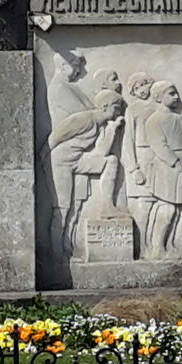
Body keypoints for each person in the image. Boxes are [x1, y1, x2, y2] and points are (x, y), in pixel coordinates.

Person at [45, 89, 126, 259]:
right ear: (105, 107)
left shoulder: (102, 126)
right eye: (117, 108)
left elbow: (102, 152)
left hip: (78, 161)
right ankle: (57, 253)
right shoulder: (83, 119)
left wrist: (112, 129)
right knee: (63, 208)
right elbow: (55, 138)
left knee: (110, 161)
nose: (119, 112)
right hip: (59, 162)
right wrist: (43, 158)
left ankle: (107, 206)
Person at [145, 80, 182, 258]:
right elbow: (159, 145)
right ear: (158, 97)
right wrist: (175, 162)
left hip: (181, 168)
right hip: (166, 168)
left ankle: (170, 244)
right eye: (171, 94)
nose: (176, 97)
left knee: (177, 210)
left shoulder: (177, 119)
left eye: (176, 93)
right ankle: (157, 247)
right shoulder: (154, 120)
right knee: (168, 209)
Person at [123, 72, 157, 256]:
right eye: (137, 88)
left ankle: (153, 244)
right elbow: (128, 140)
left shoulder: (157, 107)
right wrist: (133, 168)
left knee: (157, 205)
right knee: (143, 206)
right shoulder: (132, 110)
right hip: (141, 157)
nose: (141, 90)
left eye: (144, 85)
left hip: (157, 159)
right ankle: (141, 247)